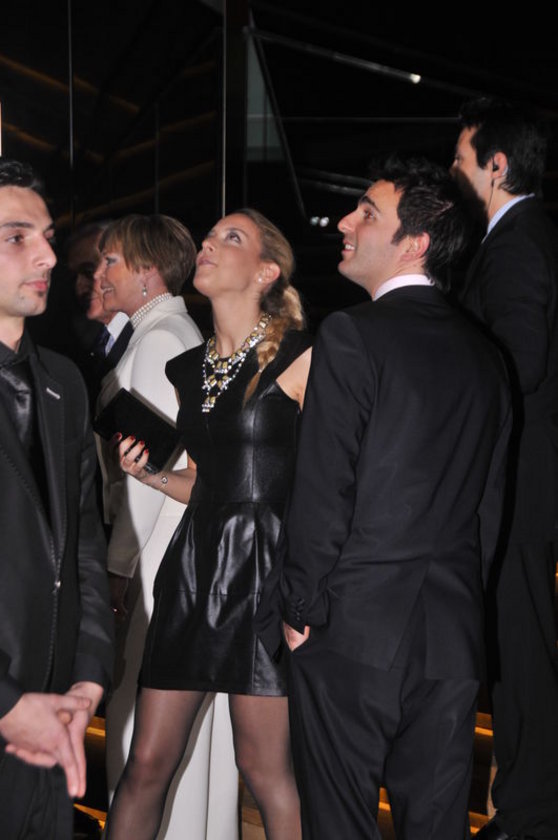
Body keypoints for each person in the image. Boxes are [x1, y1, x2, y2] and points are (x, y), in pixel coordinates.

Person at [266, 158, 512, 840]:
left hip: (351, 626)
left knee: (340, 823)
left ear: (416, 243)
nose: (345, 222)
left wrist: (300, 605)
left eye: (367, 213)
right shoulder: (487, 357)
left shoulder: (352, 334)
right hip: (451, 637)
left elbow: (325, 485)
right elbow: (489, 511)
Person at [104, 208, 311, 840]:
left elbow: (329, 484)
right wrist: (150, 475)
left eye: (232, 237)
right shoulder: (185, 370)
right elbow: (207, 483)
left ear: (266, 271)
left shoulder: (303, 356)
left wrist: (309, 590)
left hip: (265, 575)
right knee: (146, 762)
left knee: (265, 769)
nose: (209, 244)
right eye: (210, 236)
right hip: (193, 572)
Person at [94, 213, 239, 839]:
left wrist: (117, 568)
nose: (100, 272)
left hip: (157, 549)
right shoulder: (173, 331)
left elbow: (144, 472)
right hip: (174, 543)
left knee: (141, 726)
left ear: (148, 270)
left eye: (112, 261)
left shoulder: (160, 339)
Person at [452, 98, 558, 840]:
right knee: (520, 644)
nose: (454, 169)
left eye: (462, 158)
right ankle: (527, 800)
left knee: (522, 648)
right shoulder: (522, 235)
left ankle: (532, 809)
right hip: (524, 477)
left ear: (496, 165)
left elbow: (519, 360)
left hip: (519, 480)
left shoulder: (518, 240)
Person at [0, 159, 114, 838]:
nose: (47, 255)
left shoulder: (64, 382)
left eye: (46, 236)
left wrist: (88, 677)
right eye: (16, 237)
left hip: (53, 721)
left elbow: (83, 545)